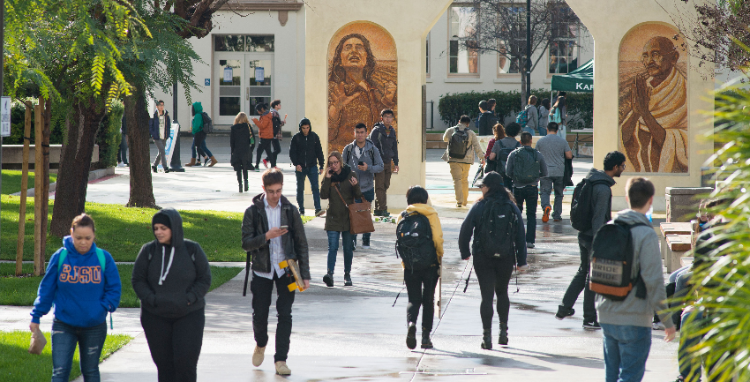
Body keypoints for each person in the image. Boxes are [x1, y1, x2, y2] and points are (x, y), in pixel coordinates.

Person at [597, 177, 676, 382]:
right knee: (630, 376)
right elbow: (654, 281)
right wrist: (667, 321)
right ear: (651, 200)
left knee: (611, 377)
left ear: (626, 198)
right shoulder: (646, 234)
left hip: (607, 313)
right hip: (634, 316)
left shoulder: (610, 226)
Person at [30, 214, 121, 382]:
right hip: (64, 324)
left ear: (94, 235)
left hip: (94, 325)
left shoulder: (103, 258)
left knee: (90, 370)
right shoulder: (60, 257)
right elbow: (47, 289)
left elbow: (114, 288)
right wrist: (36, 315)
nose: (83, 242)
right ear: (71, 233)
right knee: (60, 371)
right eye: (79, 237)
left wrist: (104, 307)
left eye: (88, 238)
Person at [241, 168, 310, 376]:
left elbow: (301, 243)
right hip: (263, 270)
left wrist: (304, 274)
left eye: (279, 190)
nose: (275, 195)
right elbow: (246, 244)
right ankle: (261, 343)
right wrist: (267, 236)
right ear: (263, 189)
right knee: (260, 315)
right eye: (271, 191)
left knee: (285, 314)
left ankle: (281, 360)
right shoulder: (253, 211)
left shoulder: (290, 210)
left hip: (287, 271)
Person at [132, 208, 212, 382]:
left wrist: (190, 298)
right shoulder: (148, 251)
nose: (158, 232)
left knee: (185, 363)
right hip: (155, 316)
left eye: (163, 228)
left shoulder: (192, 250)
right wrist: (151, 299)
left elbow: (205, 278)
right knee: (164, 364)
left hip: (189, 315)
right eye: (156, 228)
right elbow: (138, 280)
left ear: (174, 228)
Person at [557, 151, 627, 330]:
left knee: (583, 272)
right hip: (593, 238)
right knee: (592, 276)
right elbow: (598, 218)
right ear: (615, 167)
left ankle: (564, 307)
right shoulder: (602, 188)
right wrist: (599, 243)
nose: (623, 169)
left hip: (583, 234)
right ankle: (589, 317)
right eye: (622, 166)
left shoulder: (593, 180)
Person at [459, 172, 528, 349]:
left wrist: (465, 252)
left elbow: (465, 230)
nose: (481, 188)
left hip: (483, 256)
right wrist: (521, 260)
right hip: (506, 256)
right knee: (502, 292)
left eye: (482, 186)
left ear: (489, 187)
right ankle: (503, 333)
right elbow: (520, 234)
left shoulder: (479, 206)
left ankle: (486, 336)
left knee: (487, 296)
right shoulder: (512, 207)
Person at [620, 36, 688, 173]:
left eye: (655, 55)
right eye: (645, 56)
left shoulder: (685, 91)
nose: (649, 61)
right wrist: (636, 112)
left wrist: (645, 113)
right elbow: (624, 137)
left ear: (674, 58)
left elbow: (675, 142)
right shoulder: (644, 90)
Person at [328, 33, 397, 153]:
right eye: (348, 47)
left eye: (359, 47)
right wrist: (335, 109)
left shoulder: (375, 90)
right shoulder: (332, 89)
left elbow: (386, 129)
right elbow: (326, 134)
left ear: (367, 58)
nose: (354, 51)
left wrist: (386, 102)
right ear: (339, 59)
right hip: (345, 158)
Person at [397, 186, 444, 350]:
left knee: (413, 299)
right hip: (430, 264)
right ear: (425, 199)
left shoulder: (403, 216)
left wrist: (405, 262)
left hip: (410, 265)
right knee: (428, 300)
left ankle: (411, 323)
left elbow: (401, 242)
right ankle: (425, 337)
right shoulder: (431, 214)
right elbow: (437, 238)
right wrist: (439, 256)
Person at [320, 151, 362, 287]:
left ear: (340, 162)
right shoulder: (329, 176)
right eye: (331, 163)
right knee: (332, 247)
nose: (333, 165)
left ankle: (347, 274)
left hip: (348, 218)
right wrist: (326, 178)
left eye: (335, 162)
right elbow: (323, 195)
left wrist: (356, 186)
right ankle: (330, 274)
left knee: (348, 248)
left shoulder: (351, 174)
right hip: (333, 217)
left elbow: (358, 196)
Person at [342, 123, 384, 249]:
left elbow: (380, 166)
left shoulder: (372, 149)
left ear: (366, 133)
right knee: (352, 215)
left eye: (362, 132)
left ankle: (366, 240)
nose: (360, 135)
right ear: (354, 133)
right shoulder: (348, 149)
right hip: (351, 189)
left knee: (365, 214)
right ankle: (353, 241)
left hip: (367, 187)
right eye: (357, 132)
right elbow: (342, 167)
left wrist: (368, 168)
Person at [506, 132, 548, 249]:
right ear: (531, 141)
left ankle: (516, 239)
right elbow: (545, 172)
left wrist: (516, 178)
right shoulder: (538, 155)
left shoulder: (514, 154)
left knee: (517, 215)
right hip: (532, 188)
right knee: (531, 215)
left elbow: (508, 172)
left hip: (517, 188)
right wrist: (535, 178)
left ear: (520, 141)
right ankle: (530, 241)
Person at [442, 115, 485, 208]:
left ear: (459, 121)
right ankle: (465, 201)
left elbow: (445, 139)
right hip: (466, 160)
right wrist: (482, 158)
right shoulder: (471, 133)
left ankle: (459, 202)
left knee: (457, 180)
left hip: (453, 159)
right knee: (464, 180)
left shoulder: (450, 130)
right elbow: (477, 146)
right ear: (468, 124)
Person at [535, 122, 573, 223]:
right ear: (557, 130)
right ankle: (556, 215)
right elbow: (569, 155)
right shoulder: (562, 141)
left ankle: (546, 206)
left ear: (547, 129)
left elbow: (535, 155)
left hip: (545, 171)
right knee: (559, 194)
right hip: (559, 171)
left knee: (544, 192)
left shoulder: (540, 141)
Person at [289, 118, 325, 217]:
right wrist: (296, 164)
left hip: (312, 166)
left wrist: (321, 165)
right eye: (303, 128)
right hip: (300, 167)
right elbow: (292, 152)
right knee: (300, 188)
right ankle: (301, 209)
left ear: (310, 127)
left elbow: (319, 151)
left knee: (315, 188)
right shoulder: (296, 138)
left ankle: (317, 208)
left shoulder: (314, 137)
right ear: (300, 128)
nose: (305, 130)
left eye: (307, 128)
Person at [370, 108, 400, 217]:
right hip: (379, 163)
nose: (388, 119)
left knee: (385, 185)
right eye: (386, 117)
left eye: (390, 117)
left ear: (392, 119)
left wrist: (396, 163)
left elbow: (394, 147)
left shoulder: (392, 131)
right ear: (382, 118)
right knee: (380, 186)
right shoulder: (376, 131)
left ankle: (378, 209)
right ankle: (383, 209)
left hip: (388, 162)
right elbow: (371, 147)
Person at [489, 122, 522, 190]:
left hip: (500, 172)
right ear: (517, 132)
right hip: (513, 172)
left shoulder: (498, 143)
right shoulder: (518, 145)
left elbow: (491, 157)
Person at [230, 112, 254, 193]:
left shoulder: (233, 128)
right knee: (245, 167)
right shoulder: (248, 127)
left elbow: (232, 142)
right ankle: (246, 181)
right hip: (246, 150)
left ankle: (240, 185)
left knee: (238, 169)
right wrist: (251, 149)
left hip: (237, 151)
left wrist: (232, 151)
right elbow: (253, 140)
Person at [191, 102, 217, 167]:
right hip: (202, 133)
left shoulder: (197, 115)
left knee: (196, 147)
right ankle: (209, 159)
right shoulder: (201, 114)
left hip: (198, 133)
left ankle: (200, 160)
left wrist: (193, 131)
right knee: (202, 147)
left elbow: (196, 126)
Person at [149, 100, 171, 173]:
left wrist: (168, 134)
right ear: (157, 106)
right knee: (162, 151)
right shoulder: (154, 115)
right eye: (160, 105)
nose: (161, 107)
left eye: (162, 105)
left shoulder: (166, 115)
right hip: (157, 136)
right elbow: (150, 125)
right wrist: (153, 134)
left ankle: (154, 165)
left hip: (164, 135)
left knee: (161, 152)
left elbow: (168, 125)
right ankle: (165, 167)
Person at [264, 99, 287, 169]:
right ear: (276, 106)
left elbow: (276, 123)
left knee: (275, 149)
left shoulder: (273, 112)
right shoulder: (274, 113)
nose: (280, 105)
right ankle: (267, 159)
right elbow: (275, 124)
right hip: (274, 134)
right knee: (278, 150)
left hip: (273, 133)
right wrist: (282, 123)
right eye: (279, 104)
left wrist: (282, 122)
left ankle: (273, 165)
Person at [253, 103, 276, 171]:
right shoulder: (266, 115)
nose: (258, 111)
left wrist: (255, 121)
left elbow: (262, 126)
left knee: (259, 151)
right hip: (267, 136)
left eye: (258, 110)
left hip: (265, 136)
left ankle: (257, 166)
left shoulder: (265, 116)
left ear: (262, 109)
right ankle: (273, 166)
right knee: (268, 151)